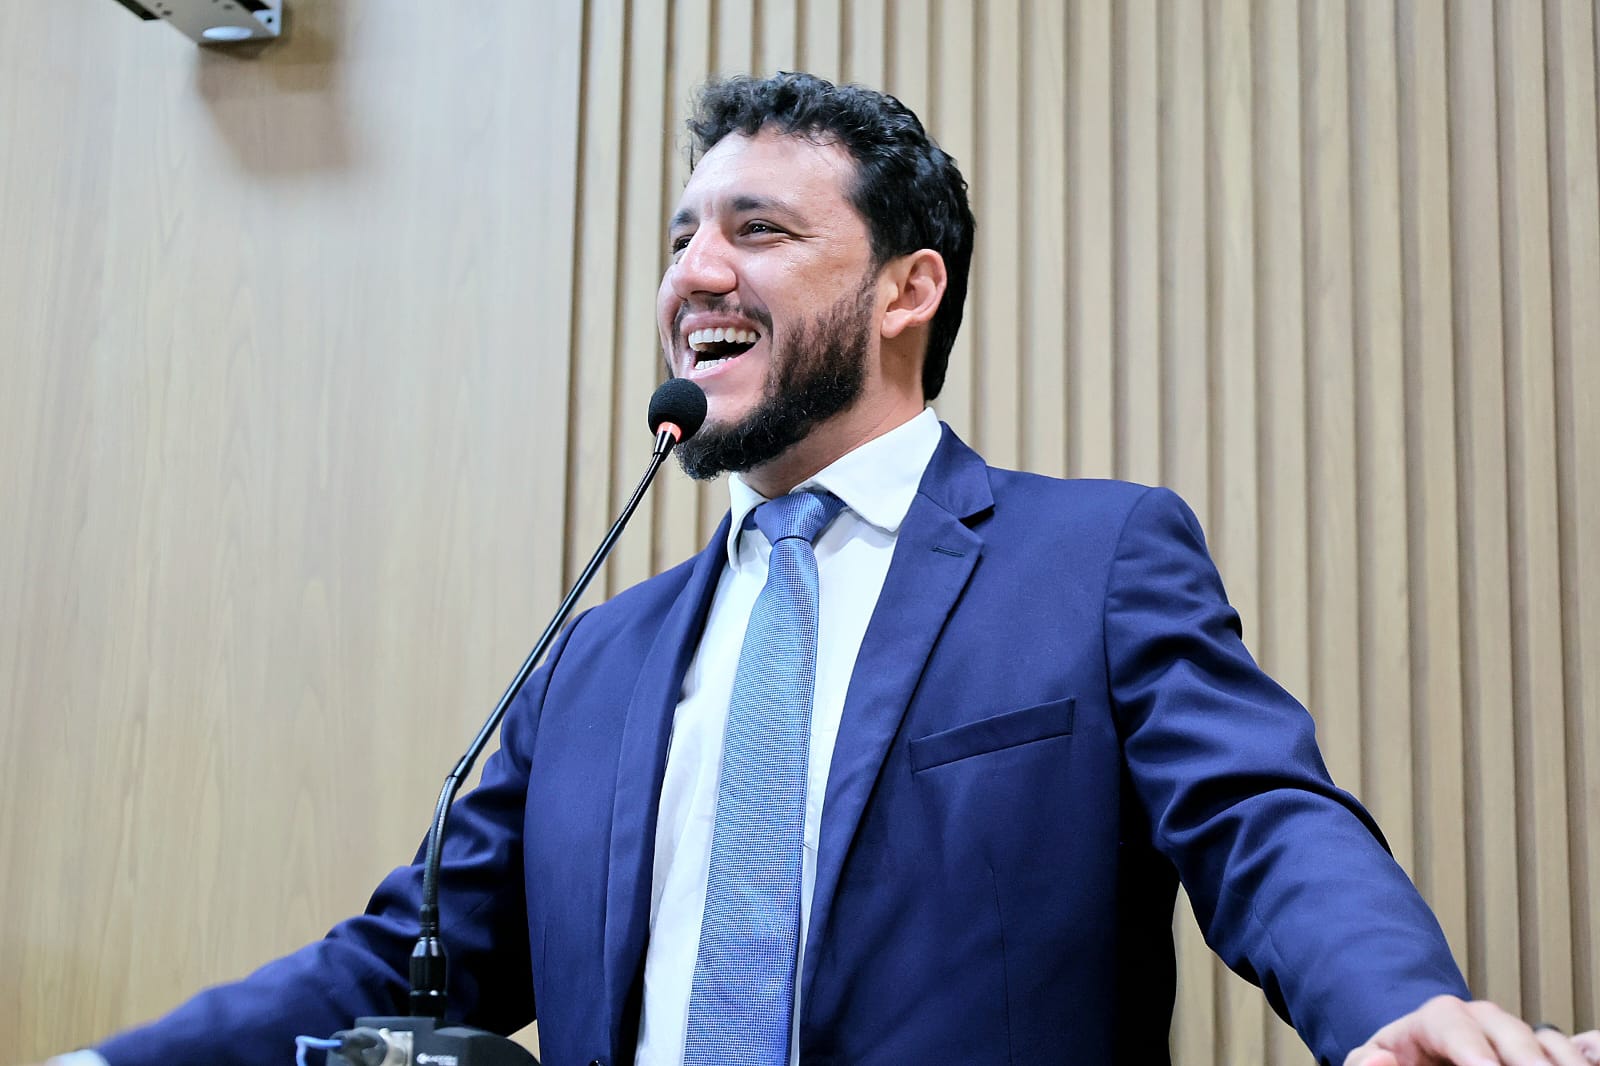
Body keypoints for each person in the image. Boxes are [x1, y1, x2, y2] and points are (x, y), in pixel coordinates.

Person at [41, 72, 1599, 1066]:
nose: (693, 273)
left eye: (759, 231)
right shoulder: (598, 660)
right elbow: (407, 960)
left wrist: (1392, 1003)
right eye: (680, 236)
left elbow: (1259, 817)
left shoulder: (1093, 558)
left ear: (909, 288)